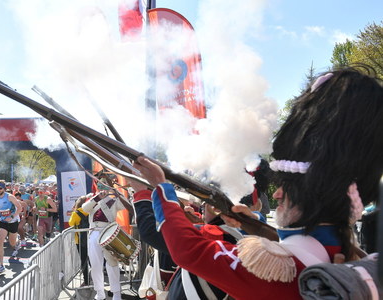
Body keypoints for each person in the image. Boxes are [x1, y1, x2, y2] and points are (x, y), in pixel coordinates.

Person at [131, 68, 383, 300]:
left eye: (289, 185)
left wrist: (160, 188)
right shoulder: (351, 262)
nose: (278, 193)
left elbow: (187, 250)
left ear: (316, 193)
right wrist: (253, 226)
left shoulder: (280, 270)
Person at [81, 179, 132, 300]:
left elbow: (127, 205)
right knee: (95, 265)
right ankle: (100, 291)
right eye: (99, 185)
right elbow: (84, 209)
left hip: (108, 233)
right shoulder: (94, 199)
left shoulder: (114, 201)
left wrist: (117, 192)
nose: (101, 187)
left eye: (104, 185)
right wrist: (97, 198)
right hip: (94, 232)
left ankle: (116, 293)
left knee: (112, 263)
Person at [0, 180, 21, 275]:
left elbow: (20, 207)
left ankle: (17, 242)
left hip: (13, 221)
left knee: (12, 243)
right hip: (3, 222)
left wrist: (12, 216)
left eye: (0, 188)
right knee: (0, 241)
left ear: (4, 188)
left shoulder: (10, 196)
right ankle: (1, 265)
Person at [68, 195, 90, 286]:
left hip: (80, 241)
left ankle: (86, 281)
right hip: (91, 238)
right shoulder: (90, 211)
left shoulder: (76, 213)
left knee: (83, 260)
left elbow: (71, 223)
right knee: (94, 260)